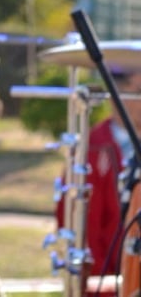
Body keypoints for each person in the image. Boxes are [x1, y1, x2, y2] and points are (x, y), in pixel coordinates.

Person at [57, 68, 141, 283]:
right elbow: (83, 229)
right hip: (108, 281)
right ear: (116, 95)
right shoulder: (90, 149)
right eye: (139, 91)